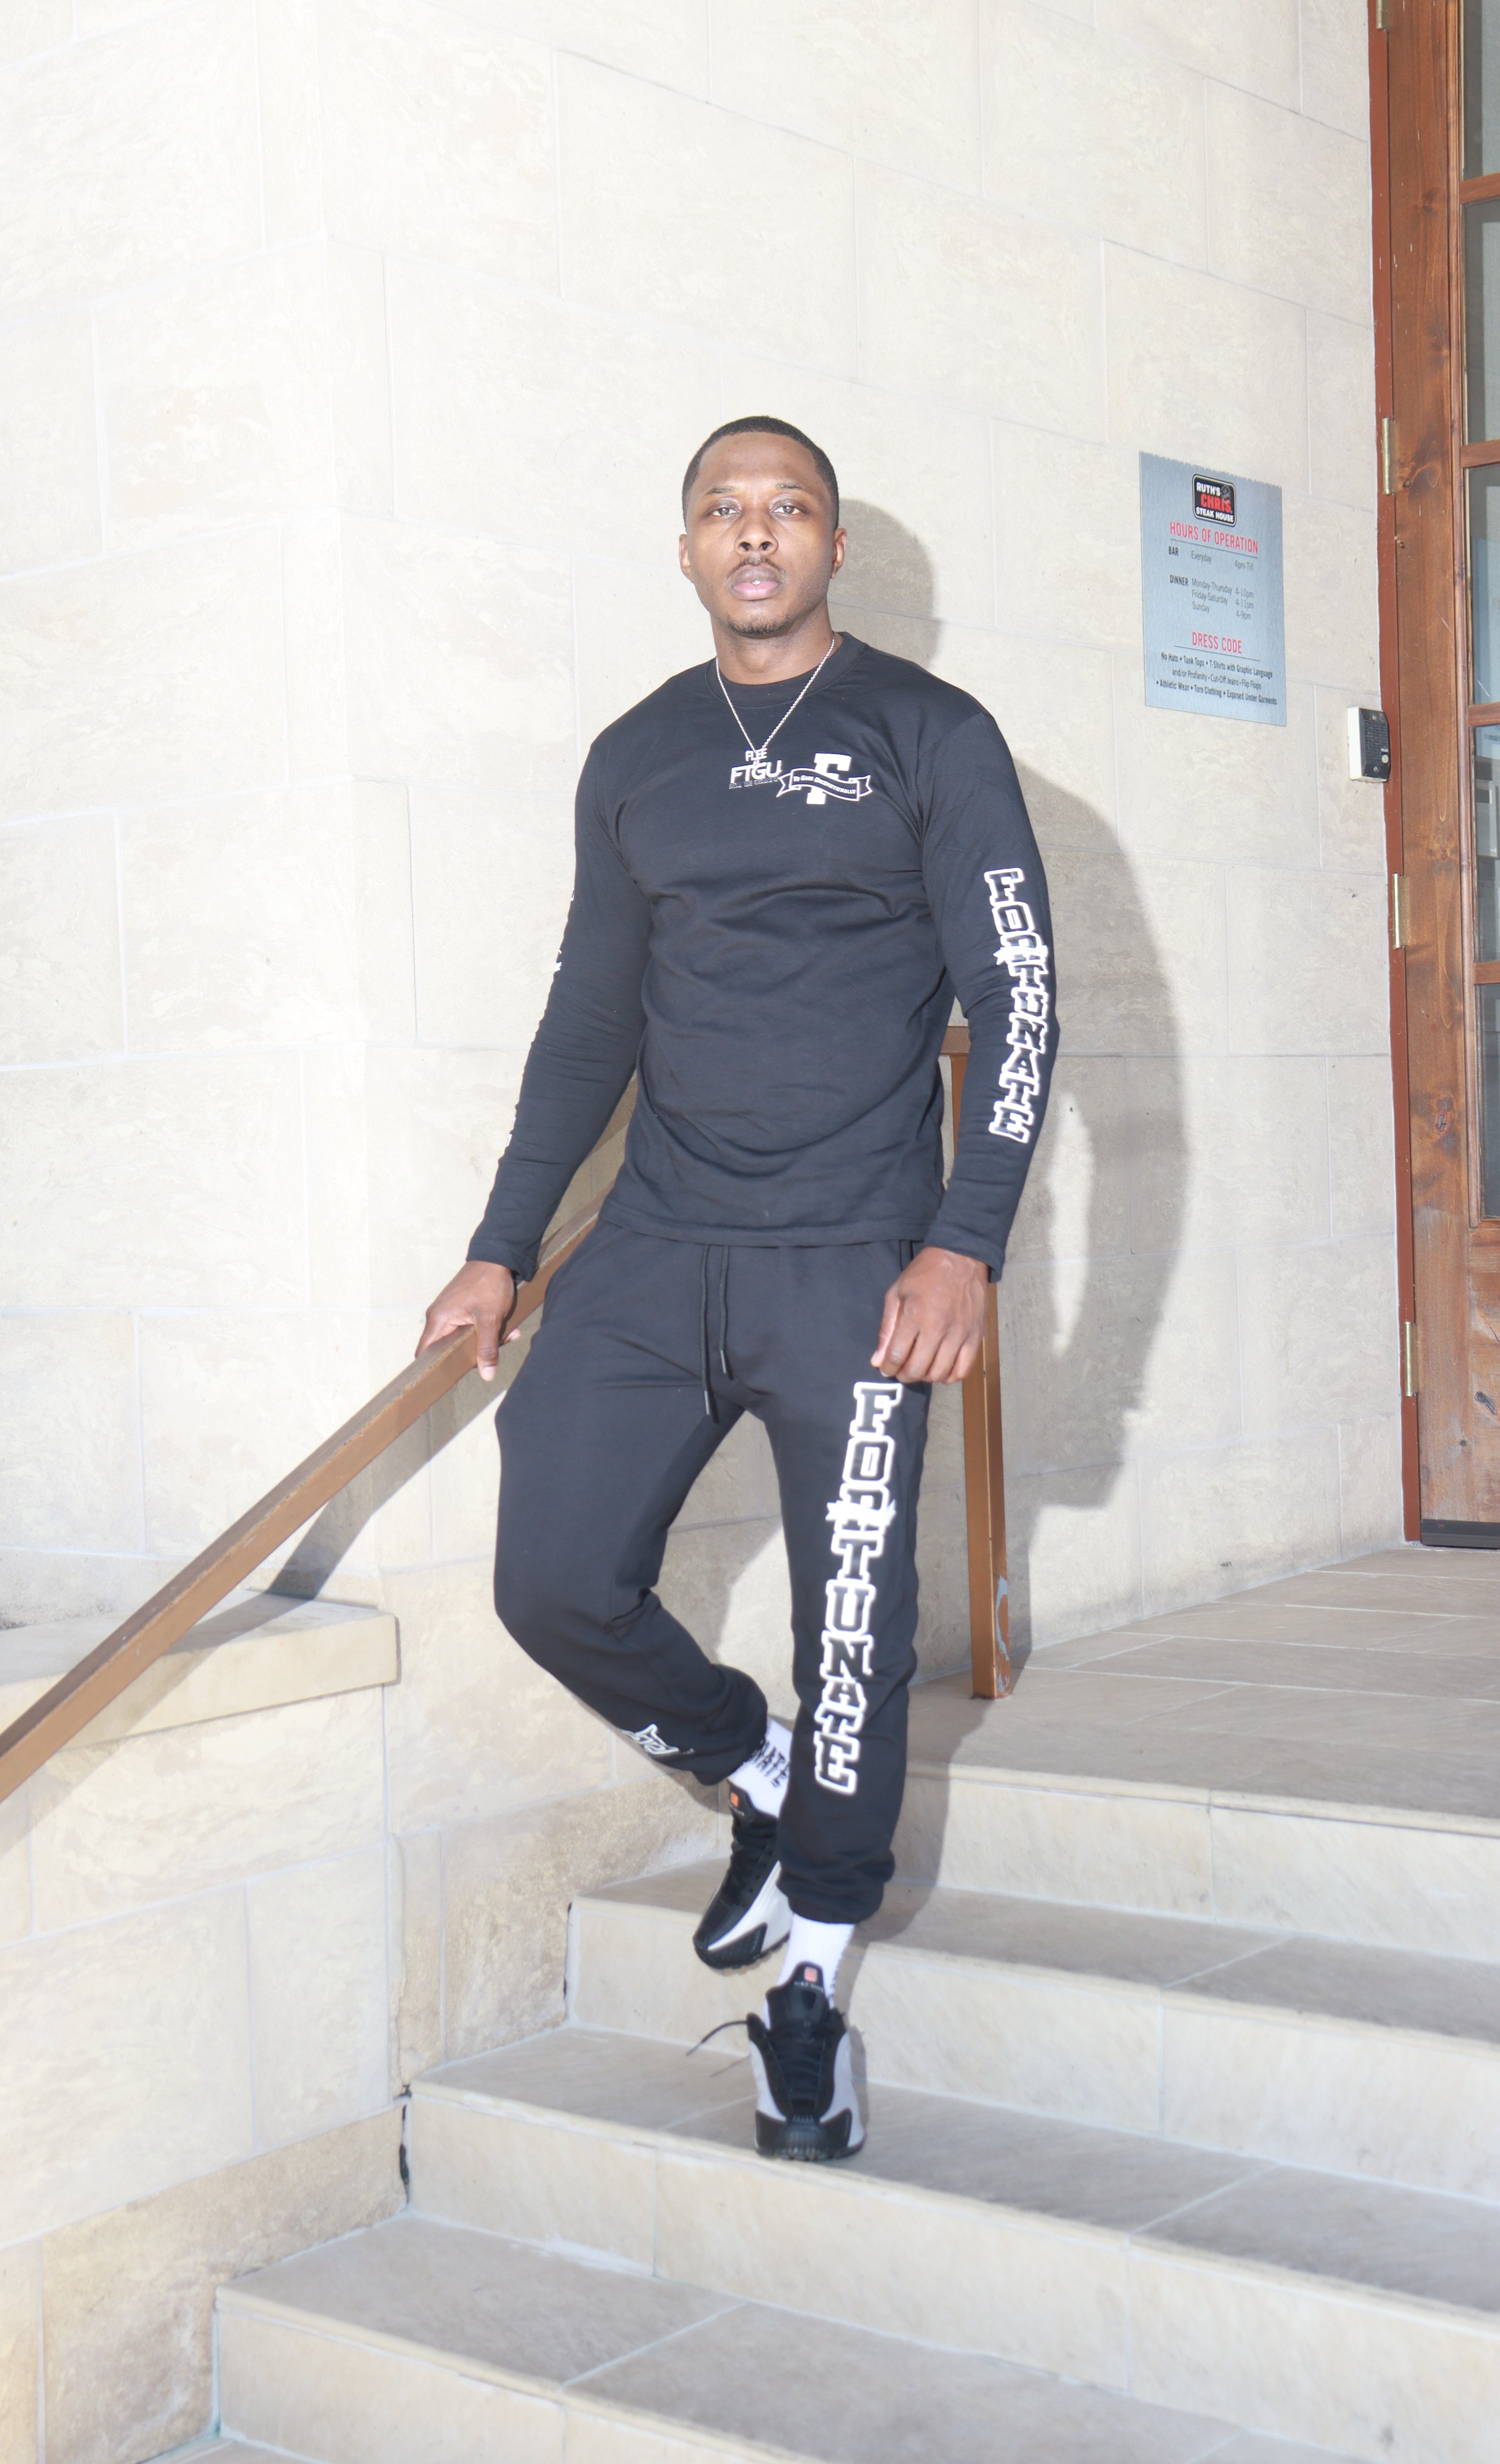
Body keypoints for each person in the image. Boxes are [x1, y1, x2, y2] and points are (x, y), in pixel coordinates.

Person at [416, 417, 1055, 2163]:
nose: (755, 534)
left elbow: (1016, 1000)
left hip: (857, 1258)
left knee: (853, 1623)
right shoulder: (637, 756)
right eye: (724, 509)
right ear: (688, 547)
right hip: (654, 1248)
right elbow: (588, 1023)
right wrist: (501, 1242)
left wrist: (966, 1241)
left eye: (788, 509)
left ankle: (812, 1981)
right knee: (552, 1577)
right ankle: (755, 1772)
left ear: (834, 546)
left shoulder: (930, 733)